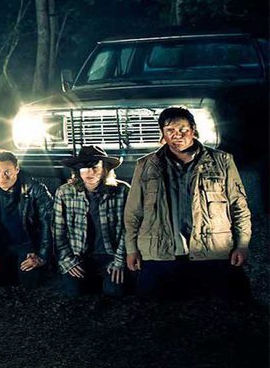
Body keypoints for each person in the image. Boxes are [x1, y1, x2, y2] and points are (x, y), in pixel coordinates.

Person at [123, 106, 251, 299]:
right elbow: (133, 212)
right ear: (163, 134)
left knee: (216, 307)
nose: (177, 135)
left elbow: (239, 207)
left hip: (211, 253)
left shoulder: (222, 161)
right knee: (157, 308)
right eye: (170, 130)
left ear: (193, 129)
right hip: (160, 255)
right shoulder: (146, 165)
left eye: (183, 129)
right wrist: (132, 249)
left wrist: (242, 245)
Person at [0, 150, 54, 288]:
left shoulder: (36, 189)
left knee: (32, 281)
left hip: (28, 245)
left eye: (7, 172)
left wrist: (42, 255)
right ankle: (10, 268)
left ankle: (20, 268)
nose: (2, 177)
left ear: (17, 169)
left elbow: (47, 223)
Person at [53, 146, 130, 297]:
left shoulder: (122, 190)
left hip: (110, 254)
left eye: (95, 167)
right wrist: (67, 260)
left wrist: (119, 261)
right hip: (79, 254)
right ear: (77, 171)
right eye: (84, 168)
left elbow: (128, 228)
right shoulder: (64, 192)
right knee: (74, 292)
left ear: (104, 169)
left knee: (115, 291)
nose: (90, 172)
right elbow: (58, 231)